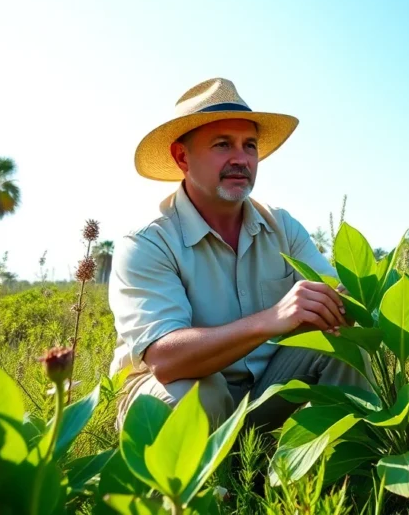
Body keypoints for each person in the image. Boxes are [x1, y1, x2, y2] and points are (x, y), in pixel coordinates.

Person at [109, 77, 366, 430]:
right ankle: (195, 469)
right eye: (222, 144)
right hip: (171, 393)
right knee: (200, 392)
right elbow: (165, 360)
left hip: (261, 393)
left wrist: (342, 302)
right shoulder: (148, 243)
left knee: (345, 347)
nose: (241, 159)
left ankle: (355, 460)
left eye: (250, 146)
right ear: (182, 157)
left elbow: (337, 299)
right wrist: (273, 318)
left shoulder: (282, 227)